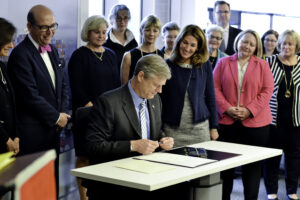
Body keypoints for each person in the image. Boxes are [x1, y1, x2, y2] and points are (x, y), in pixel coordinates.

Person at [84, 54, 180, 200]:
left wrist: (162, 140)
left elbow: (154, 131)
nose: (160, 91)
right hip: (114, 181)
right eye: (156, 85)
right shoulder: (108, 102)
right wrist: (132, 146)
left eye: (162, 86)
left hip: (146, 175)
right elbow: (93, 146)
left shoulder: (155, 100)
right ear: (141, 76)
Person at [7, 4, 69, 192]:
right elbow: (29, 96)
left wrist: (64, 113)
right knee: (33, 189)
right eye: (44, 27)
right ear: (29, 26)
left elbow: (63, 85)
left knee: (50, 187)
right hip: (32, 136)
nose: (50, 32)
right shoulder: (20, 54)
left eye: (53, 26)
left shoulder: (53, 50)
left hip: (52, 133)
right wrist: (56, 117)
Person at [213, 29, 274, 200]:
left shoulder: (263, 65)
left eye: (252, 44)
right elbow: (214, 88)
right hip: (227, 123)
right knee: (226, 169)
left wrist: (249, 110)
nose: (247, 46)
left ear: (256, 48)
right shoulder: (223, 62)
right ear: (238, 41)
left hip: (256, 125)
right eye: (244, 41)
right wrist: (227, 108)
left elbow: (267, 90)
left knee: (252, 170)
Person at [68, 15, 120, 200]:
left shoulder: (111, 55)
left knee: (105, 156)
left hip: (109, 115)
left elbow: (117, 86)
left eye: (104, 32)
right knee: (85, 157)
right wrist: (94, 110)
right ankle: (84, 197)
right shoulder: (79, 55)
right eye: (96, 32)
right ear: (88, 32)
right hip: (86, 114)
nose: (101, 35)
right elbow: (77, 88)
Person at [160, 24, 219, 148]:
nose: (187, 48)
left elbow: (210, 96)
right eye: (185, 43)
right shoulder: (167, 65)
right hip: (172, 130)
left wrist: (214, 127)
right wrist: (160, 130)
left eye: (193, 45)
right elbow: (160, 100)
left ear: (198, 48)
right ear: (179, 41)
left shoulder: (204, 65)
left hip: (200, 129)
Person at [263, 30, 300, 200]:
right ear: (279, 45)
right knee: (272, 157)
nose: (287, 47)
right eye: (284, 43)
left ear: (296, 46)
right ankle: (271, 191)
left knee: (293, 158)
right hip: (272, 120)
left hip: (296, 120)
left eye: (290, 44)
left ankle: (292, 191)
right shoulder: (268, 62)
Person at [121, 15, 164, 84]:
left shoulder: (164, 57)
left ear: (159, 33)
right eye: (147, 30)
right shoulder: (128, 56)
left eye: (155, 31)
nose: (151, 34)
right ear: (141, 31)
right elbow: (124, 87)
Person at [103, 4, 138, 73]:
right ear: (111, 19)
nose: (122, 22)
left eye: (125, 18)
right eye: (118, 18)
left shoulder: (133, 43)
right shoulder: (105, 42)